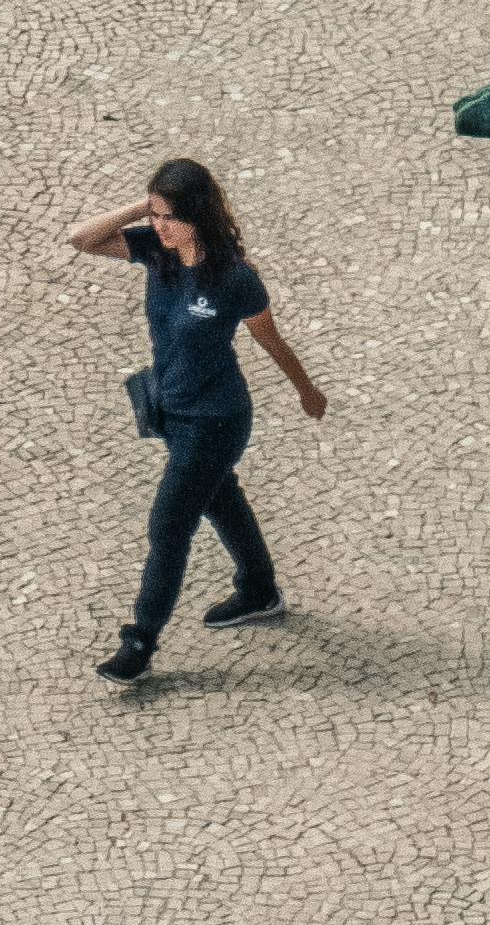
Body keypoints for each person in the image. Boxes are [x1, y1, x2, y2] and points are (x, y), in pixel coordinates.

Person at [70, 160, 326, 685]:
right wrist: (143, 205)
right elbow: (82, 239)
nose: (159, 227)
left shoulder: (234, 279)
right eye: (155, 215)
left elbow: (269, 340)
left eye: (170, 217)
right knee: (220, 497)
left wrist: (306, 389)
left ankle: (139, 642)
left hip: (217, 421)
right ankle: (259, 589)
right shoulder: (155, 251)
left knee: (168, 528)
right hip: (172, 412)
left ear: (199, 216)